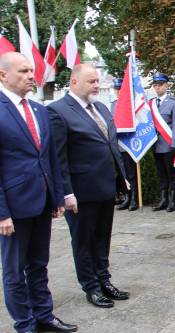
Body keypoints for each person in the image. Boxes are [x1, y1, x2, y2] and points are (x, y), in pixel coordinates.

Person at [0, 52, 77, 333]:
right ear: (4, 75)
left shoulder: (38, 109)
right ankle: (24, 323)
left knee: (39, 263)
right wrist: (2, 213)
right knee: (14, 269)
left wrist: (56, 196)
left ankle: (44, 314)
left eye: (32, 71)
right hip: (13, 207)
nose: (32, 76)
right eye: (23, 71)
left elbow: (50, 159)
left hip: (42, 201)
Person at [48, 63, 130, 309]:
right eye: (91, 81)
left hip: (105, 187)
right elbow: (58, 157)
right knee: (83, 240)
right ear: (74, 82)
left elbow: (112, 146)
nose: (96, 85)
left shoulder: (102, 108)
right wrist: (66, 192)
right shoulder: (58, 111)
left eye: (97, 81)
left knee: (102, 238)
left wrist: (121, 177)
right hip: (80, 192)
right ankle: (91, 287)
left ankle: (104, 280)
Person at [150, 72, 175, 213]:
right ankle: (163, 200)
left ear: (166, 85)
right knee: (161, 174)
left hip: (169, 143)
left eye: (160, 85)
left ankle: (173, 200)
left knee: (172, 174)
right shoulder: (150, 103)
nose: (157, 88)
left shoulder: (174, 103)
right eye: (155, 85)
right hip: (155, 145)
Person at [110, 78, 137, 212]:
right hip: (117, 144)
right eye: (117, 89)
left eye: (120, 89)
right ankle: (127, 196)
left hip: (128, 144)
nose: (118, 92)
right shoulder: (113, 104)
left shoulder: (130, 105)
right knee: (123, 173)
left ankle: (134, 198)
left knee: (131, 173)